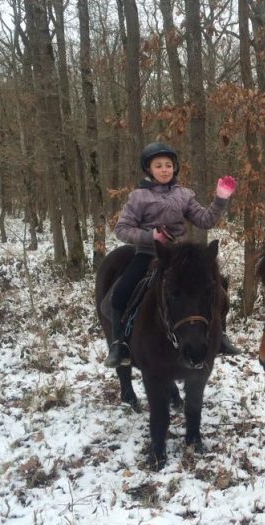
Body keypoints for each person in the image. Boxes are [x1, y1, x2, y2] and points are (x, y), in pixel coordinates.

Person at [104, 141, 239, 368]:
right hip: (149, 254)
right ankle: (119, 344)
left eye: (168, 165)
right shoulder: (138, 197)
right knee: (121, 292)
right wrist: (150, 237)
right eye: (159, 165)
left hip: (181, 257)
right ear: (149, 169)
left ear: (174, 168)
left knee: (217, 287)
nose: (165, 169)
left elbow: (205, 220)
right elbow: (122, 229)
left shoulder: (183, 195)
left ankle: (220, 337)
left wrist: (220, 199)